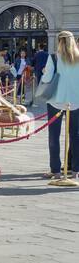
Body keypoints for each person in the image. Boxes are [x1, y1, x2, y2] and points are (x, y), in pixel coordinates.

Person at [40, 30, 79, 180]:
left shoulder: (54, 58)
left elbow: (47, 77)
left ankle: (55, 170)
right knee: (75, 136)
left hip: (56, 100)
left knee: (54, 136)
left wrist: (44, 71)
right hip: (75, 101)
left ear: (59, 42)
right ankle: (76, 170)